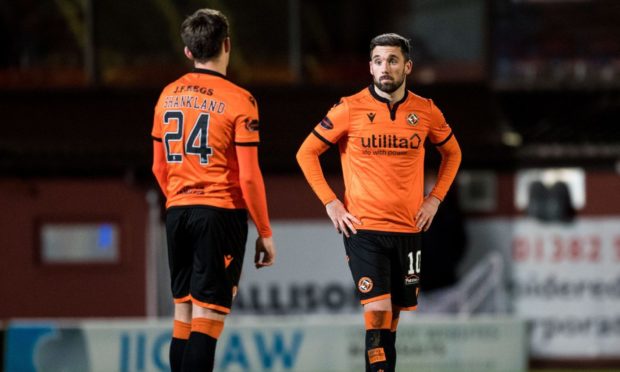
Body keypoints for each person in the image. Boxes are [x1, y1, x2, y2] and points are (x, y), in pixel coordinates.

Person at [296, 33, 461, 371]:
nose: (385, 67)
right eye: (378, 61)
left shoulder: (425, 111)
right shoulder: (349, 108)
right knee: (377, 315)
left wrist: (434, 200)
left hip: (409, 228)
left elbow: (453, 152)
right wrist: (331, 202)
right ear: (370, 67)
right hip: (364, 230)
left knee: (392, 323)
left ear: (408, 66)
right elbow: (306, 153)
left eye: (392, 60)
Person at [151, 9, 276, 372]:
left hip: (177, 211)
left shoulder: (167, 96)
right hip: (218, 213)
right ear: (227, 45)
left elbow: (158, 167)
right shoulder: (240, 100)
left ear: (188, 52)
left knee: (183, 316)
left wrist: (181, 195)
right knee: (207, 319)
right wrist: (265, 231)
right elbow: (249, 177)